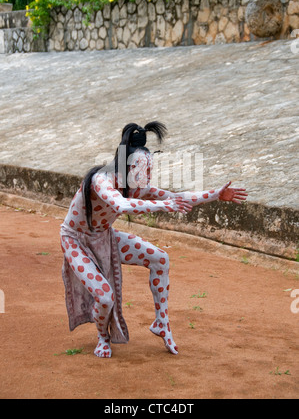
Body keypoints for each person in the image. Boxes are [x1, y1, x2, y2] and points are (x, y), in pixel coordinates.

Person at [60, 122, 248, 358]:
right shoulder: (101, 180)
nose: (145, 176)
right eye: (141, 169)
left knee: (160, 259)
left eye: (148, 169)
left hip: (104, 236)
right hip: (76, 241)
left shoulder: (136, 187)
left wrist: (216, 195)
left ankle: (161, 322)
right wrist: (164, 206)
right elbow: (122, 205)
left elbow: (177, 197)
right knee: (105, 296)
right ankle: (103, 337)